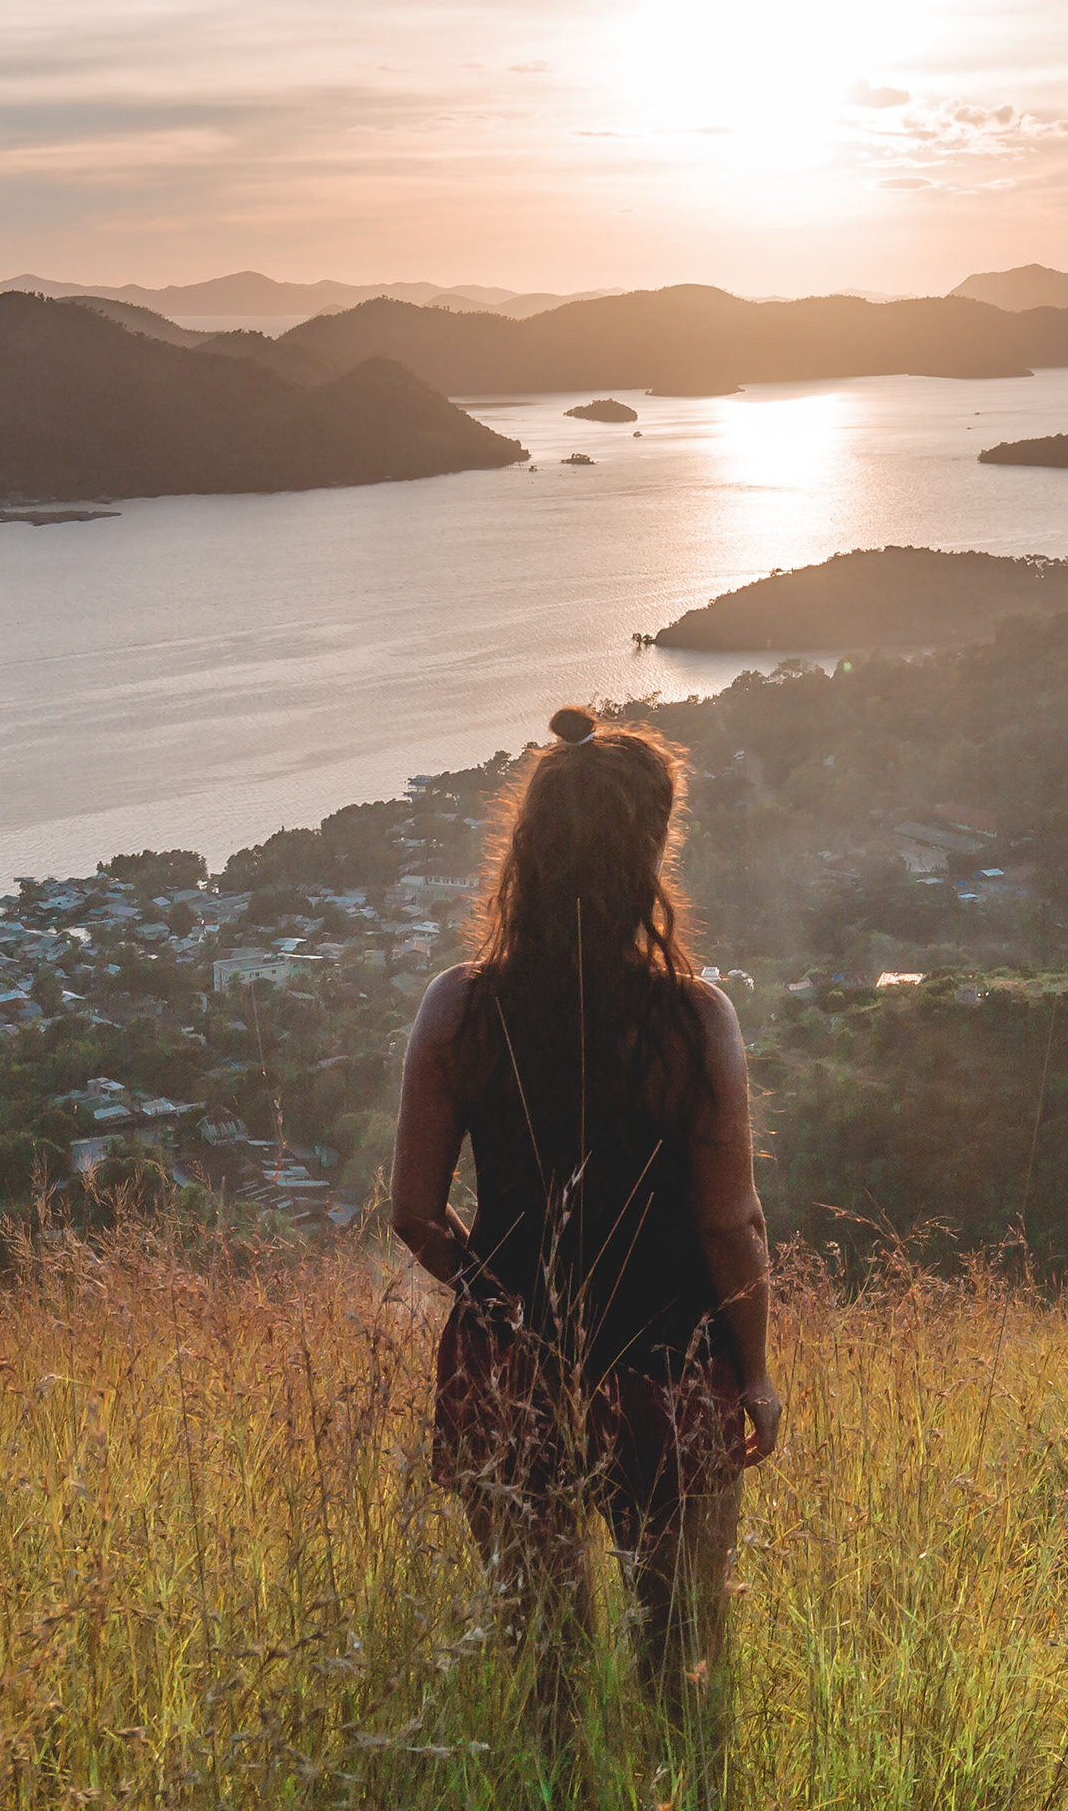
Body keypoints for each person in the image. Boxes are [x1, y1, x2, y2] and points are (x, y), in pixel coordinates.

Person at [389, 703, 782, 1736]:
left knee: (542, 1669)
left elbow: (415, 1215)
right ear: (650, 849)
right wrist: (757, 1373)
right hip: (667, 1367)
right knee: (681, 1662)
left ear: (528, 845)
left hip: (506, 1376)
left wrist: (503, 1311)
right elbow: (730, 1225)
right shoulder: (692, 1020)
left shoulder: (457, 1010)